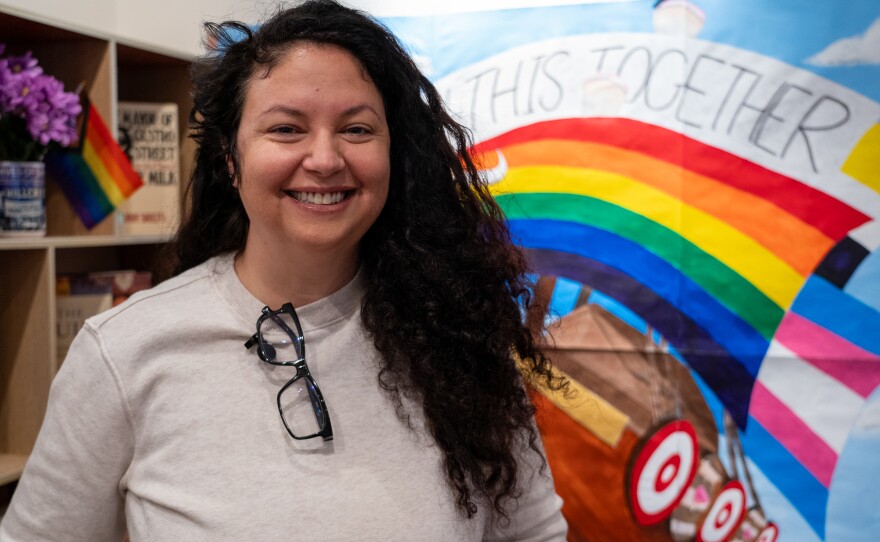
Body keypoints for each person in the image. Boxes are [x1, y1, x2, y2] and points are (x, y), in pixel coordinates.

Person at [0, 1, 568, 540]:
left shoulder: (460, 338)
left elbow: (532, 531)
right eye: (286, 129)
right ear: (231, 157)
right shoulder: (123, 352)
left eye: (357, 129)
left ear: (395, 154)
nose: (324, 159)